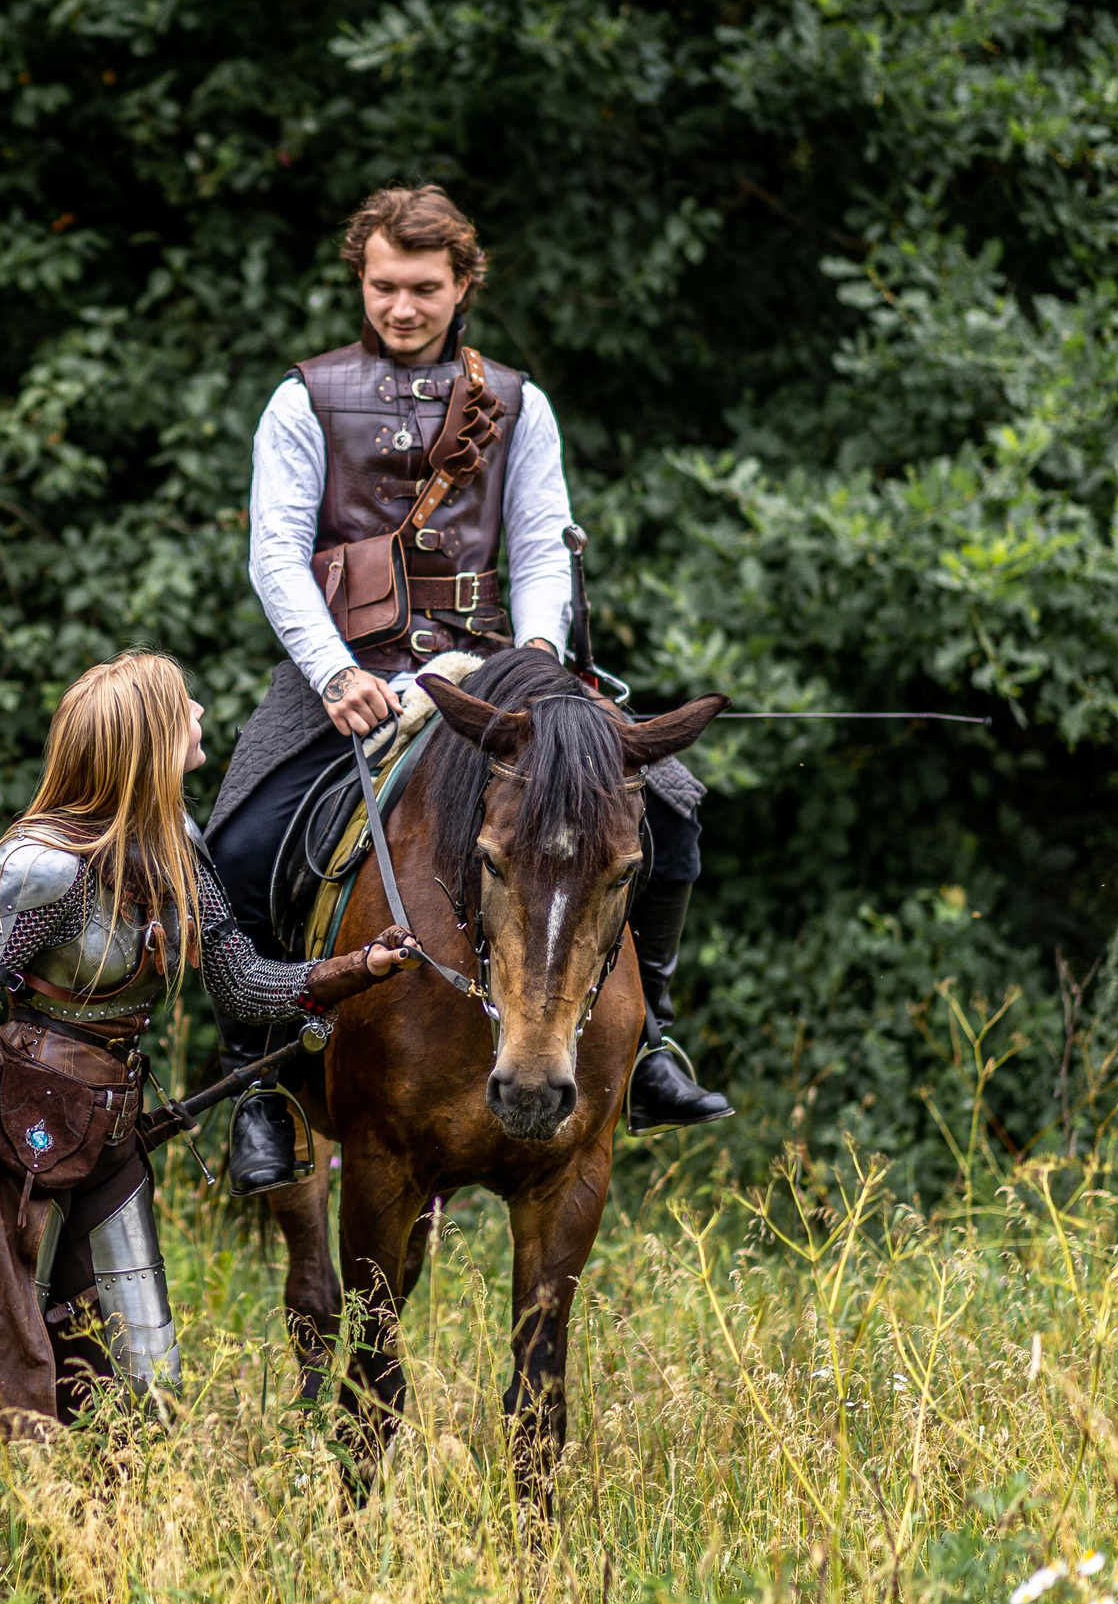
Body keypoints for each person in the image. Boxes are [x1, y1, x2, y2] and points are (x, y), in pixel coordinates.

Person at [205, 184, 730, 1199]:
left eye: (424, 289)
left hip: (496, 673)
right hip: (343, 672)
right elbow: (276, 556)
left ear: (462, 286)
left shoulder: (520, 403)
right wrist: (335, 673)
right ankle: (258, 1082)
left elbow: (539, 544)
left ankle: (653, 1038)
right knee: (233, 844)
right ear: (361, 281)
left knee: (671, 809)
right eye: (383, 286)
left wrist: (530, 660)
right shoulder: (301, 399)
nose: (401, 308)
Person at [0, 650, 418, 1586]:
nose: (204, 712)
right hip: (11, 1133)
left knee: (142, 1383)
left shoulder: (175, 849)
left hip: (112, 1132)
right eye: (185, 707)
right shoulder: (39, 863)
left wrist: (351, 970)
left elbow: (244, 983)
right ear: (139, 741)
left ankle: (101, 1583)